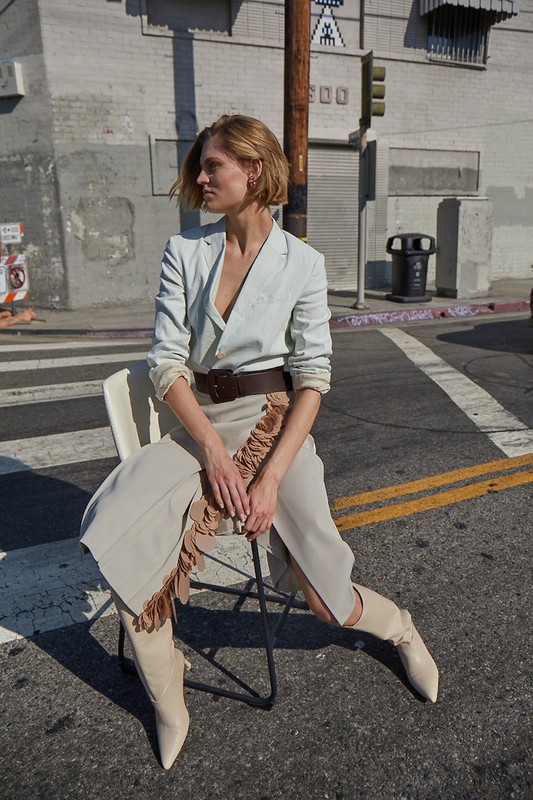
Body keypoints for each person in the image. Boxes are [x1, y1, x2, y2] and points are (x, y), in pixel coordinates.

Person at [80, 114, 439, 770]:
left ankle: (400, 628)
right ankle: (168, 696)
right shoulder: (185, 252)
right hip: (200, 426)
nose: (200, 177)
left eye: (212, 165)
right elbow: (166, 364)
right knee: (118, 534)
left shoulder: (302, 263)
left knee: (327, 601)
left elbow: (312, 378)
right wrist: (214, 453)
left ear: (253, 170)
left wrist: (269, 478)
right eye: (199, 166)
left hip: (273, 422)